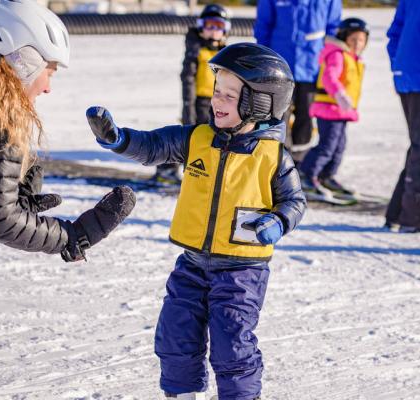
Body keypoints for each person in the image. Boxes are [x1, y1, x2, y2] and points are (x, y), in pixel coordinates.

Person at [87, 42, 306, 400]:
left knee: (231, 342)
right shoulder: (197, 139)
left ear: (261, 102)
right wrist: (119, 139)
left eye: (229, 95)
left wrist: (280, 221)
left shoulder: (273, 157)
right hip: (191, 264)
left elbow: (295, 201)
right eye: (217, 91)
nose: (216, 101)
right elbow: (153, 145)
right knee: (174, 332)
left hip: (241, 271)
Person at [0, 1, 135, 398]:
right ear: (24, 59)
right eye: (49, 69)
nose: (48, 85)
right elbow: (0, 219)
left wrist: (12, 211)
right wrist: (71, 236)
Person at [254, 0, 341, 165]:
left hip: (312, 68)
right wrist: (263, 60)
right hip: (279, 69)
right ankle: (276, 162)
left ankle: (299, 162)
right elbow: (263, 27)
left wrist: (330, 62)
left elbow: (333, 30)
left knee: (306, 116)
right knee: (277, 116)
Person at [153, 4, 230, 186]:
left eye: (217, 27)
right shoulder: (196, 51)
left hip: (217, 103)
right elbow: (188, 79)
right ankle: (166, 169)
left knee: (212, 138)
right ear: (201, 27)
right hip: (198, 102)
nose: (213, 32)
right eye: (209, 26)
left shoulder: (224, 53)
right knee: (190, 136)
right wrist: (189, 105)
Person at [384, 0, 420, 233]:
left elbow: (395, 32)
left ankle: (400, 210)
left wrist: (400, 65)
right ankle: (417, 213)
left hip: (411, 73)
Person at [300, 18, 369, 196]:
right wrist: (339, 95)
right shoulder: (337, 55)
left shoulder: (354, 59)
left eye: (361, 40)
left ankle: (326, 176)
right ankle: (306, 175)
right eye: (353, 39)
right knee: (327, 146)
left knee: (339, 146)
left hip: (341, 111)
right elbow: (329, 77)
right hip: (328, 108)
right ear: (344, 38)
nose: (357, 44)